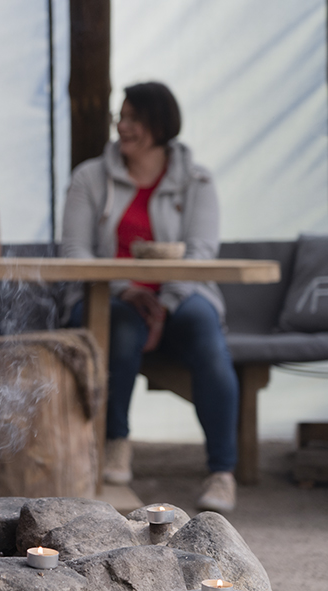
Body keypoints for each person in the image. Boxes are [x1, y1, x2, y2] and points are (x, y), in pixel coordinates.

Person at [62, 82, 239, 512]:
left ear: (161, 125)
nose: (123, 126)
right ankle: (116, 442)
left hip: (181, 295)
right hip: (113, 297)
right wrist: (125, 289)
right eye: (120, 117)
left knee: (205, 331)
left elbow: (201, 254)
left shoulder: (197, 180)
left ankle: (222, 471)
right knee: (120, 326)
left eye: (134, 119)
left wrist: (165, 307)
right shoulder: (89, 177)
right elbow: (75, 252)